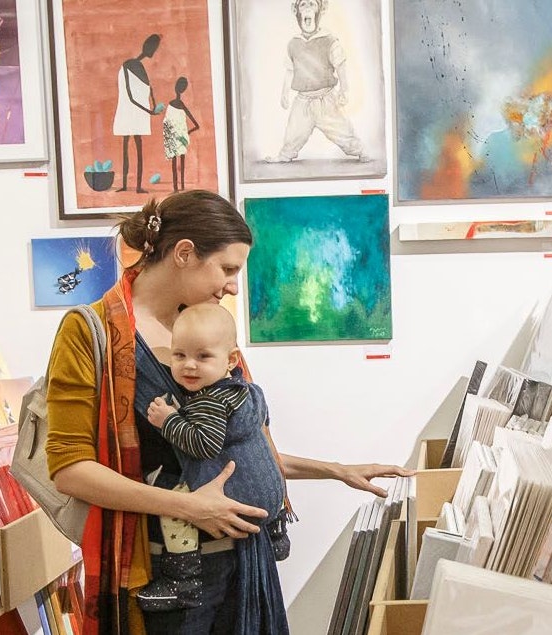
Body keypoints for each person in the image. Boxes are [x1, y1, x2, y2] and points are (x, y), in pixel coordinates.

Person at [44, 189, 414, 634]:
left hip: (244, 565)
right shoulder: (92, 333)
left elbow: (232, 448)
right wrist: (190, 507)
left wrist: (334, 470)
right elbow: (69, 470)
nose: (234, 285)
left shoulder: (209, 333)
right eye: (228, 268)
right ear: (184, 253)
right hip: (169, 585)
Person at [135, 303, 287, 625]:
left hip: (238, 497)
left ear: (231, 360)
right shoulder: (247, 391)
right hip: (268, 494)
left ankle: (182, 577)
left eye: (202, 357)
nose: (189, 366)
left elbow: (203, 444)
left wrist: (168, 421)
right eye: (179, 356)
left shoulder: (209, 400)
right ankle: (277, 533)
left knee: (170, 494)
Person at [267, 0, 366, 164]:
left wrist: (344, 90)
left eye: (312, 4)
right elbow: (290, 70)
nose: (307, 9)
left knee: (341, 129)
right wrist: (284, 93)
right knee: (294, 131)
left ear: (320, 10)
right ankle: (285, 155)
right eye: (303, 5)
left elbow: (340, 66)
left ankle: (361, 150)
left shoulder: (329, 41)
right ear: (296, 11)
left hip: (325, 99)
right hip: (303, 100)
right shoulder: (293, 44)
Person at [113, 34, 162, 194]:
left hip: (139, 115)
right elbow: (130, 95)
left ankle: (138, 185)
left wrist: (153, 107)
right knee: (126, 149)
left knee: (137, 149)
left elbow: (150, 89)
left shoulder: (140, 68)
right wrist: (150, 110)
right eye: (152, 48)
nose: (153, 52)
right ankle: (126, 185)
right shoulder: (128, 65)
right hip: (128, 114)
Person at [163, 77, 200, 192]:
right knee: (179, 162)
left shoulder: (170, 105)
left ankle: (177, 188)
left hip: (175, 138)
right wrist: (186, 133)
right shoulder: (180, 105)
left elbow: (166, 124)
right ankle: (181, 186)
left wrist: (181, 134)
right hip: (180, 138)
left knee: (175, 163)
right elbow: (196, 124)